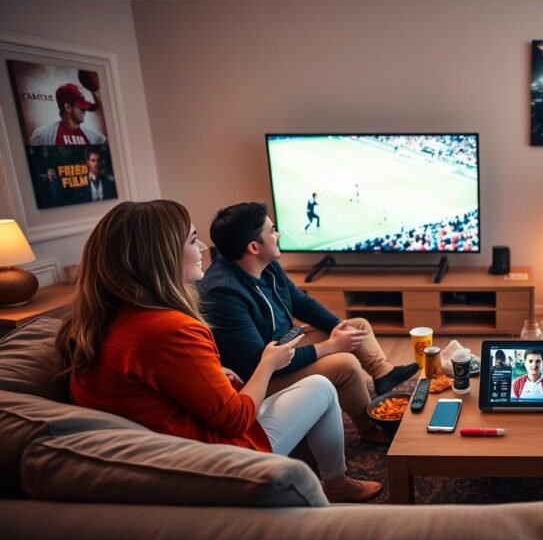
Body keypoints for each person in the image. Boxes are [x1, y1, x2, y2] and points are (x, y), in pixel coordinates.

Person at [56, 200, 382, 502]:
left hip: (165, 449)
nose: (202, 249)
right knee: (322, 387)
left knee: (338, 354)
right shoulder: (171, 328)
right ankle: (336, 484)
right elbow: (236, 419)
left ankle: (377, 391)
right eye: (191, 240)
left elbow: (155, 386)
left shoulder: (108, 319)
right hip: (212, 460)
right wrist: (268, 363)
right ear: (161, 256)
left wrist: (214, 373)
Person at [197, 202, 419, 444]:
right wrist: (331, 346)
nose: (277, 235)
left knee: (357, 326)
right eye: (272, 231)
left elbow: (300, 301)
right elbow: (258, 361)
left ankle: (383, 374)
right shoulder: (223, 294)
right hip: (260, 376)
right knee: (345, 363)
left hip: (284, 344)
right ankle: (370, 430)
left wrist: (338, 328)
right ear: (253, 247)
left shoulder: (265, 264)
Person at [29, 83, 107, 146]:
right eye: (81, 107)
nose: (84, 110)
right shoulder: (43, 135)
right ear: (68, 107)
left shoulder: (95, 137)